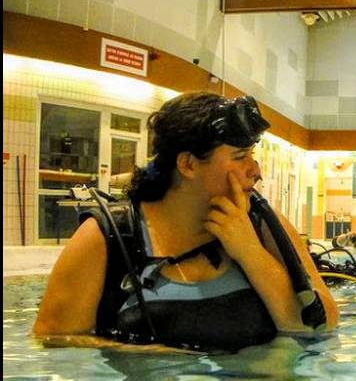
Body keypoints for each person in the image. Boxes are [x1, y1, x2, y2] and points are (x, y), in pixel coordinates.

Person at [33, 92, 338, 351]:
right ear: (188, 164)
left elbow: (320, 325)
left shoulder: (263, 227)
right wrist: (154, 354)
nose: (255, 170)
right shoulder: (107, 238)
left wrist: (250, 252)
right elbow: (57, 342)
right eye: (240, 156)